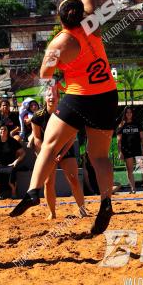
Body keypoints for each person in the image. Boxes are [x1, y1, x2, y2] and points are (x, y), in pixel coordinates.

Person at [10, 0, 118, 235]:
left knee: (49, 145)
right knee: (99, 157)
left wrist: (52, 88)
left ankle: (33, 192)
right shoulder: (92, 24)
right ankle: (106, 202)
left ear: (59, 18)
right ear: (80, 14)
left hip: (79, 97)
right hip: (107, 96)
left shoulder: (60, 42)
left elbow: (45, 72)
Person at [31, 83, 88, 220]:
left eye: (54, 95)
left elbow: (71, 137)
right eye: (49, 95)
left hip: (64, 150)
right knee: (48, 182)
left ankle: (82, 210)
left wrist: (61, 154)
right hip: (48, 151)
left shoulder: (65, 113)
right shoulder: (37, 117)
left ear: (59, 98)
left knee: (73, 180)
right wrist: (45, 154)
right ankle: (52, 213)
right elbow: (37, 139)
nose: (51, 97)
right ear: (45, 98)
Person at [117, 106, 143, 194]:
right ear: (124, 114)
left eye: (130, 112)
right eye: (127, 112)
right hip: (127, 150)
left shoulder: (137, 123)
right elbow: (119, 141)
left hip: (138, 149)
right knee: (130, 170)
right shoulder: (121, 125)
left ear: (132, 114)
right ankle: (133, 189)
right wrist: (120, 152)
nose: (129, 114)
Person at [0, 123, 26, 199]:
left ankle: (14, 192)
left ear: (8, 131)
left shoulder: (12, 141)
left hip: (10, 164)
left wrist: (16, 162)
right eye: (1, 129)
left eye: (5, 129)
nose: (3, 131)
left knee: (11, 172)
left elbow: (23, 153)